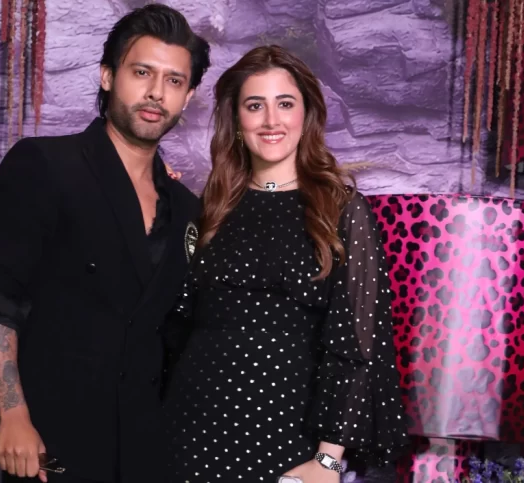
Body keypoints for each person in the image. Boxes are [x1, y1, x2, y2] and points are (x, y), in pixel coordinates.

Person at [0, 5, 210, 483]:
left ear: (188, 96)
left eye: (174, 81)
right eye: (142, 72)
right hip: (50, 445)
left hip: (146, 452)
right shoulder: (46, 165)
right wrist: (13, 414)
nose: (156, 92)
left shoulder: (186, 208)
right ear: (107, 75)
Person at [161, 45, 409, 482]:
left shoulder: (342, 210)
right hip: (189, 430)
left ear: (307, 114)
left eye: (286, 104)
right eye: (255, 105)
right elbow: (176, 331)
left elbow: (357, 344)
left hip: (288, 443)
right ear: (237, 119)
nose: (271, 120)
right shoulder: (211, 209)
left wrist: (328, 460)